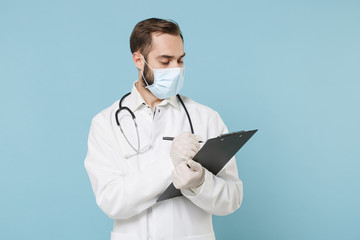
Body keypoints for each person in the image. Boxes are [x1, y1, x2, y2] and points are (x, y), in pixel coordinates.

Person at [84, 18, 243, 240]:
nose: (176, 69)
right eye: (165, 61)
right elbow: (112, 201)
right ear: (139, 60)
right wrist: (171, 163)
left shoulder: (205, 118)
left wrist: (200, 184)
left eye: (180, 60)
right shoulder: (106, 122)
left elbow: (232, 199)